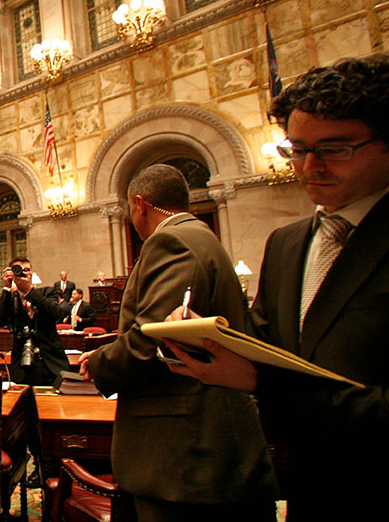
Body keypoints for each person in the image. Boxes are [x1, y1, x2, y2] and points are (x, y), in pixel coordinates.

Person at [164, 55, 389, 520]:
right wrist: (204, 338)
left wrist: (261, 382)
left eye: (336, 149)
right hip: (311, 484)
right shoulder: (288, 244)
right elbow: (266, 343)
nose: (310, 166)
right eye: (297, 149)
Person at [78, 164, 277, 521]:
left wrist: (99, 363)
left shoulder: (172, 242)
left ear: (139, 204)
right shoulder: (199, 236)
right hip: (199, 448)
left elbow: (153, 339)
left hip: (184, 453)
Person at [0, 258, 70, 385]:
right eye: (19, 270)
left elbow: (55, 313)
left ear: (32, 273)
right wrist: (7, 289)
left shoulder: (47, 292)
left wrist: (28, 290)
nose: (24, 273)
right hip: (22, 366)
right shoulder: (11, 298)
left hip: (51, 364)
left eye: (27, 270)